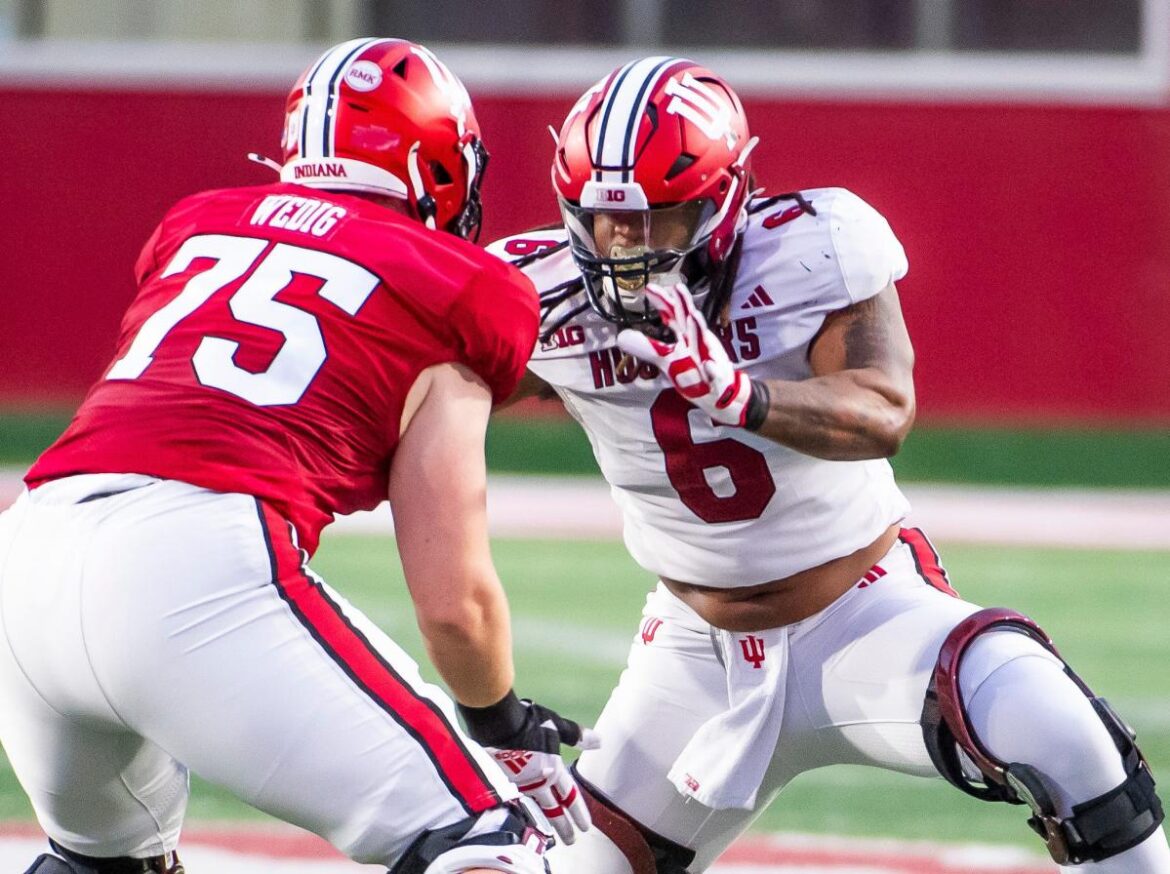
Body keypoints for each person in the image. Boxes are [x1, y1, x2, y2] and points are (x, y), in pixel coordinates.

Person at [487, 56, 1168, 873]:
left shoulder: (812, 246)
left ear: (723, 202)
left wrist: (745, 397)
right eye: (606, 219)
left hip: (862, 613)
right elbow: (414, 412)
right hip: (693, 655)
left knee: (1060, 729)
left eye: (659, 219)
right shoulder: (536, 294)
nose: (626, 246)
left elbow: (884, 410)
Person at [0, 37, 593, 874]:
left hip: (27, 557)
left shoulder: (198, 225)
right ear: (438, 170)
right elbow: (453, 601)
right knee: (487, 846)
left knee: (106, 862)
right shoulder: (462, 284)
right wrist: (502, 722)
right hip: (188, 567)